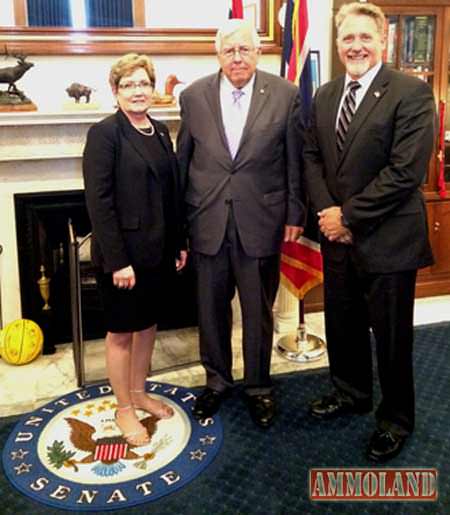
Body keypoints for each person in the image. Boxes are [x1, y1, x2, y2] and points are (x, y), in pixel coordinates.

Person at [303, 2, 435, 462]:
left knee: (392, 338)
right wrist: (325, 211)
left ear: (383, 40)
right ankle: (351, 392)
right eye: (347, 39)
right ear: (338, 46)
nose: (355, 46)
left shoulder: (410, 92)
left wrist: (348, 216)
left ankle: (395, 419)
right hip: (337, 236)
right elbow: (311, 157)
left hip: (388, 239)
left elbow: (405, 172)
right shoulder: (324, 95)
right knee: (342, 325)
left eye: (364, 37)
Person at [177, 19, 305, 428]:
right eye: (229, 50)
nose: (237, 57)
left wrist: (295, 213)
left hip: (261, 221)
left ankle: (258, 385)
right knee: (211, 309)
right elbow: (184, 162)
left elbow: (294, 160)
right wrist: (181, 223)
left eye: (244, 49)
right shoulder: (193, 96)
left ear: (258, 53)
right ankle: (216, 381)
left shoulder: (285, 95)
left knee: (257, 311)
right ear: (218, 55)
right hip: (207, 220)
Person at [83, 53, 187, 446]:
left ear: (153, 88)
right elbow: (99, 201)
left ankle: (140, 391)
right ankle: (124, 407)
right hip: (124, 257)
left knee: (147, 325)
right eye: (128, 84)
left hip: (159, 253)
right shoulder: (105, 133)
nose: (138, 90)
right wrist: (118, 260)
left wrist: (179, 242)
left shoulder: (160, 131)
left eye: (143, 83)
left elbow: (171, 193)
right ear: (115, 91)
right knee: (121, 332)